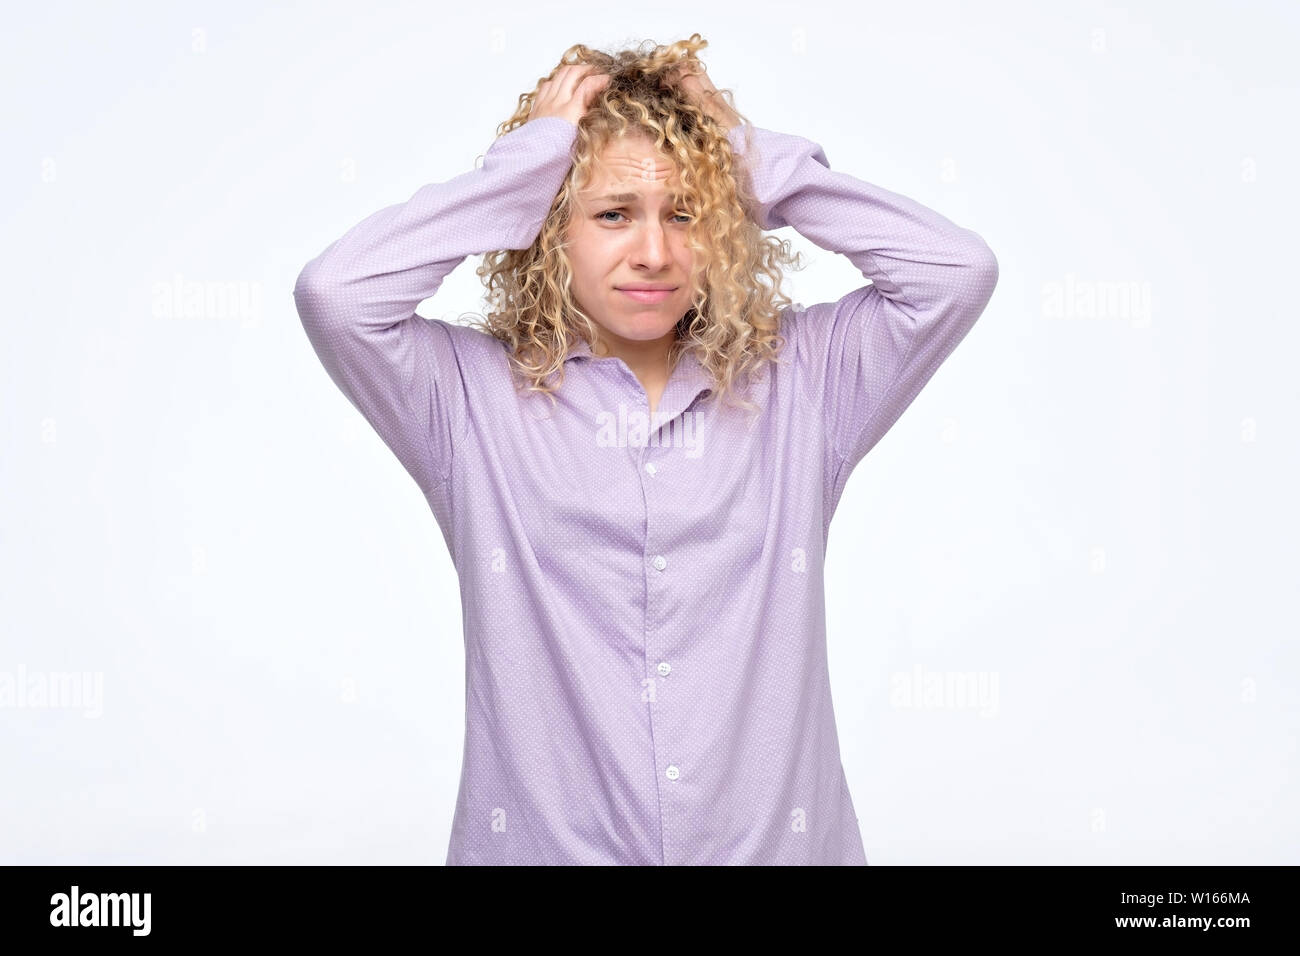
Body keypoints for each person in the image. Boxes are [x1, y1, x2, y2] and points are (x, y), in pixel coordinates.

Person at [293, 34, 998, 865]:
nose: (655, 253)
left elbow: (957, 271)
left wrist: (750, 156)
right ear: (553, 229)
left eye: (686, 213)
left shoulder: (806, 383)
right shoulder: (467, 398)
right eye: (613, 213)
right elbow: (336, 296)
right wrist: (527, 168)